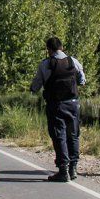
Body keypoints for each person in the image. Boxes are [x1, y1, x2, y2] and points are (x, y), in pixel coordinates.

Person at [30, 37, 86, 182]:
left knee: (59, 135)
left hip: (56, 105)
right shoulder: (73, 61)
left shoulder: (46, 64)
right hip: (73, 104)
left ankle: (63, 170)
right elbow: (82, 81)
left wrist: (33, 89)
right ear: (61, 47)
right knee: (73, 135)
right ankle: (73, 168)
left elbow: (36, 85)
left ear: (48, 49)